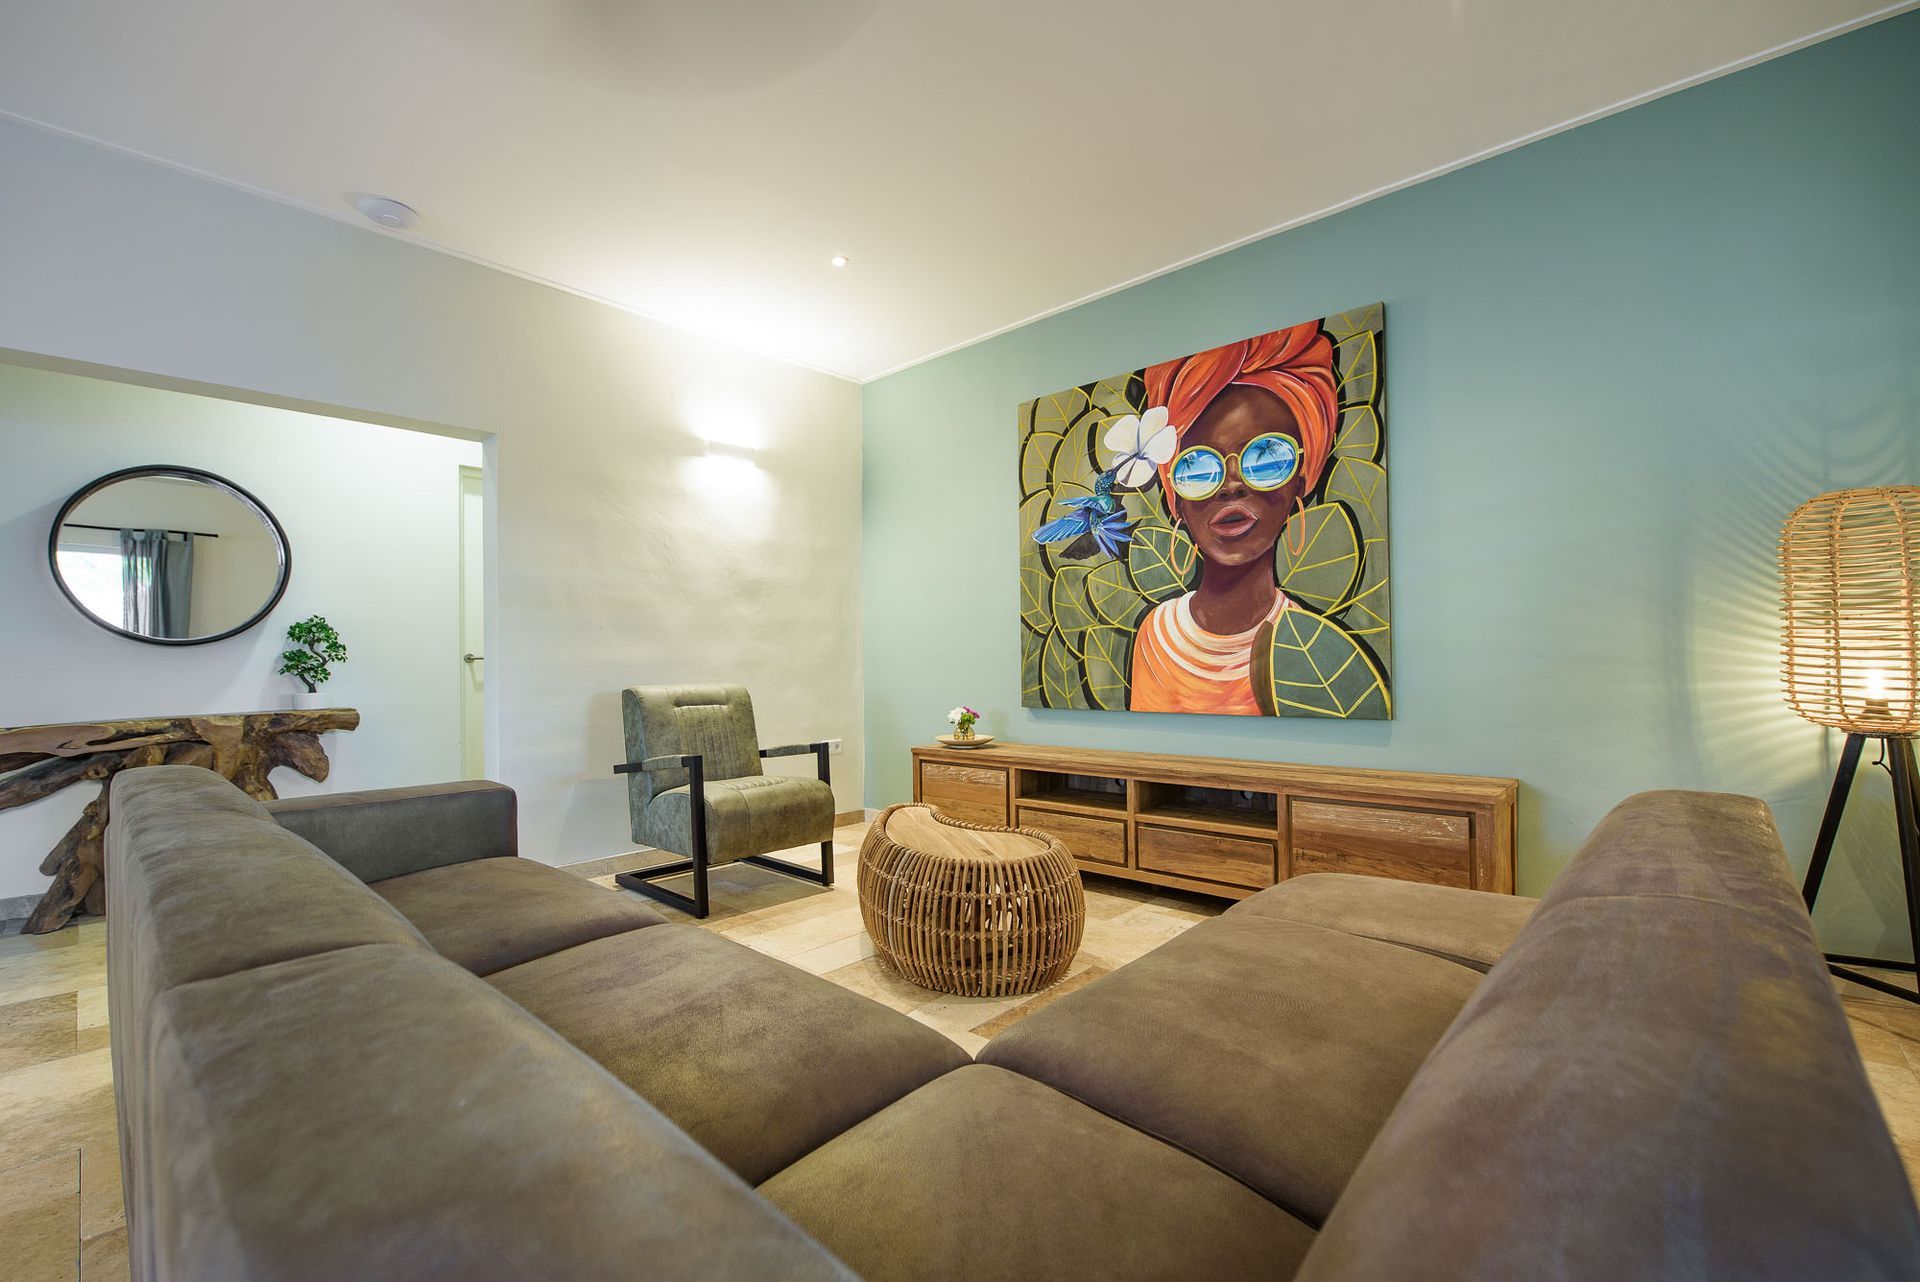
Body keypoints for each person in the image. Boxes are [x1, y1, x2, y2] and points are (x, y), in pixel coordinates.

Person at [1127, 321, 1338, 715]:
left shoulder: (1310, 647)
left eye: (1268, 457)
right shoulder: (1156, 635)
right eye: (1197, 467)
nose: (1231, 486)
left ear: (1300, 481)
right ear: (1176, 500)